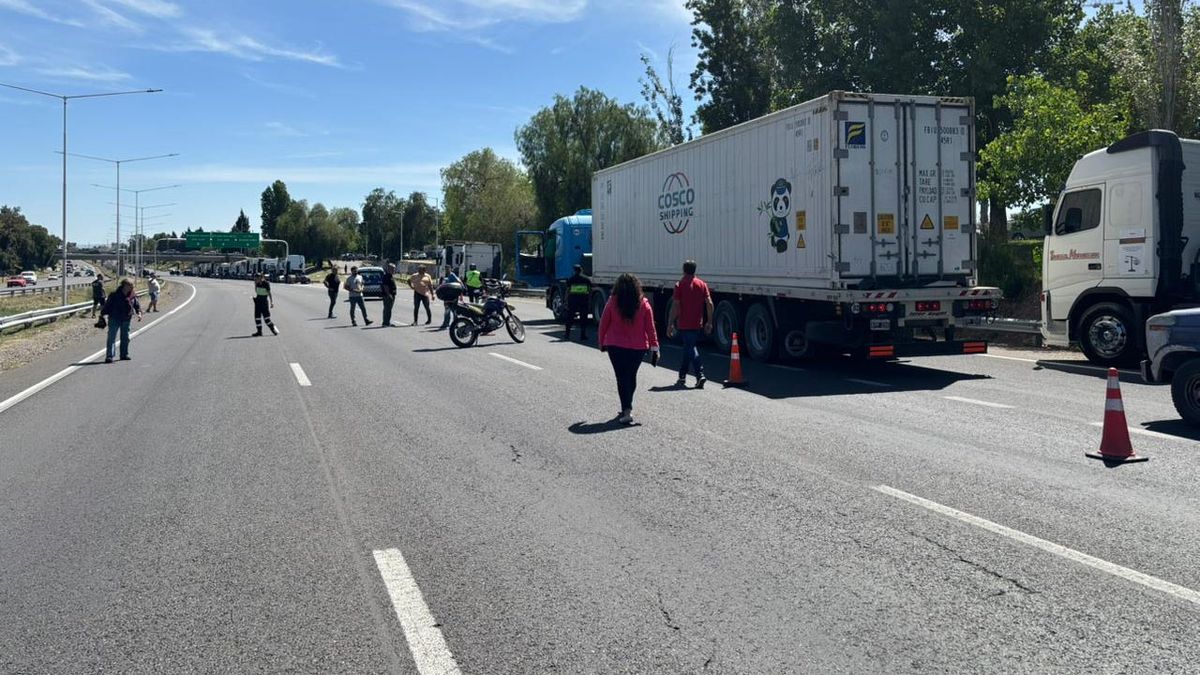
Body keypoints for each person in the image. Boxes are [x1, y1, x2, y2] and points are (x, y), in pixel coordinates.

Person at [599, 273, 660, 425]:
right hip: (638, 347)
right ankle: (628, 406)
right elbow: (651, 328)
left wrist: (601, 342)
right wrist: (655, 347)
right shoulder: (644, 304)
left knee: (621, 377)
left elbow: (603, 323)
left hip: (615, 346)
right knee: (631, 375)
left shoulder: (613, 302)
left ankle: (626, 408)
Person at [667, 259, 714, 389]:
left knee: (691, 348)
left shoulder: (680, 285)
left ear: (683, 270)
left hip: (684, 322)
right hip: (697, 322)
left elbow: (675, 305)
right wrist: (709, 321)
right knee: (688, 347)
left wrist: (670, 323)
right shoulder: (702, 284)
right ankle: (682, 375)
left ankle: (700, 374)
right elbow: (709, 303)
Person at [101, 278, 142, 363]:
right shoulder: (114, 295)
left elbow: (136, 305)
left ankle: (124, 354)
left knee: (125, 337)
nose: (132, 287)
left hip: (126, 319)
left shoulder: (132, 295)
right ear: (125, 286)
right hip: (114, 318)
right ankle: (109, 356)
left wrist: (139, 313)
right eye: (130, 285)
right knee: (111, 338)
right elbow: (107, 306)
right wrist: (103, 314)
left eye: (132, 285)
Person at [563, 263, 592, 341]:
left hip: (573, 301)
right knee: (583, 318)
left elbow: (567, 291)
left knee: (570, 318)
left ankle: (567, 334)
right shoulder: (586, 279)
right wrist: (589, 301)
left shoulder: (571, 279)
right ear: (581, 270)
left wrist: (565, 301)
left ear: (574, 271)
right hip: (583, 300)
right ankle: (583, 335)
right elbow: (590, 291)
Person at [436, 265, 461, 331]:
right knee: (447, 310)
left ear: (451, 269)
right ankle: (446, 323)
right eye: (446, 268)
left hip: (453, 295)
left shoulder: (452, 275)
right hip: (447, 296)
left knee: (454, 310)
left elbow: (459, 283)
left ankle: (456, 323)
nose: (447, 270)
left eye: (448, 268)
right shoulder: (444, 276)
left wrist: (460, 294)